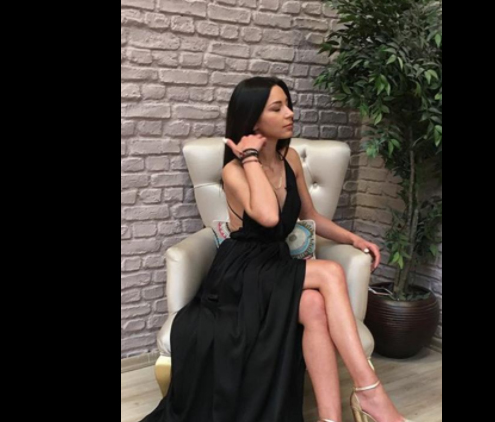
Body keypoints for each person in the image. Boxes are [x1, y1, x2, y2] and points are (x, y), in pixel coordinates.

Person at [140, 76, 414, 422]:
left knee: (314, 305)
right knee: (330, 272)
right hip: (240, 272)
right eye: (277, 108)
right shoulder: (234, 169)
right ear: (253, 119)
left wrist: (353, 239)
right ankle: (370, 392)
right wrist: (251, 157)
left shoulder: (291, 160)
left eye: (288, 105)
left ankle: (331, 418)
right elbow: (269, 217)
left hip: (275, 264)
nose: (290, 113)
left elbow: (310, 216)